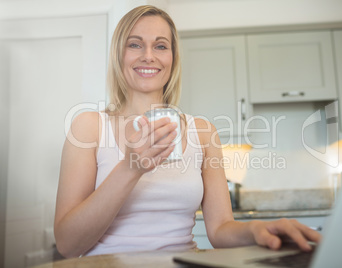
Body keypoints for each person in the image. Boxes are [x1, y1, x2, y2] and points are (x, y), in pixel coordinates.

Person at [54, 5, 321, 258]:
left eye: (161, 45)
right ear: (118, 55)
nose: (149, 55)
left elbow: (219, 230)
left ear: (172, 58)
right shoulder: (89, 126)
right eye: (134, 44)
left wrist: (255, 229)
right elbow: (67, 244)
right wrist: (130, 169)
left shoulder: (203, 132)